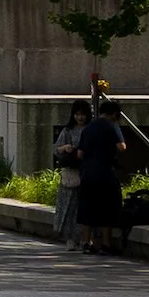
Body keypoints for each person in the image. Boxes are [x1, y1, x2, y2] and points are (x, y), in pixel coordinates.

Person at [77, 99, 128, 255]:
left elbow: (80, 154)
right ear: (114, 114)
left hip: (87, 175)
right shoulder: (111, 126)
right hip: (106, 174)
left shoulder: (88, 128)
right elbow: (122, 147)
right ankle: (106, 244)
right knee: (108, 208)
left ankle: (86, 242)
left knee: (87, 208)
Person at [52, 101, 89, 248]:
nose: (80, 118)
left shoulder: (89, 130)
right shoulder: (67, 131)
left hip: (85, 173)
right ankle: (70, 238)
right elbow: (56, 149)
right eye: (77, 114)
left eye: (82, 114)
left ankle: (83, 237)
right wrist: (65, 148)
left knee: (82, 207)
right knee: (68, 206)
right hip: (71, 173)